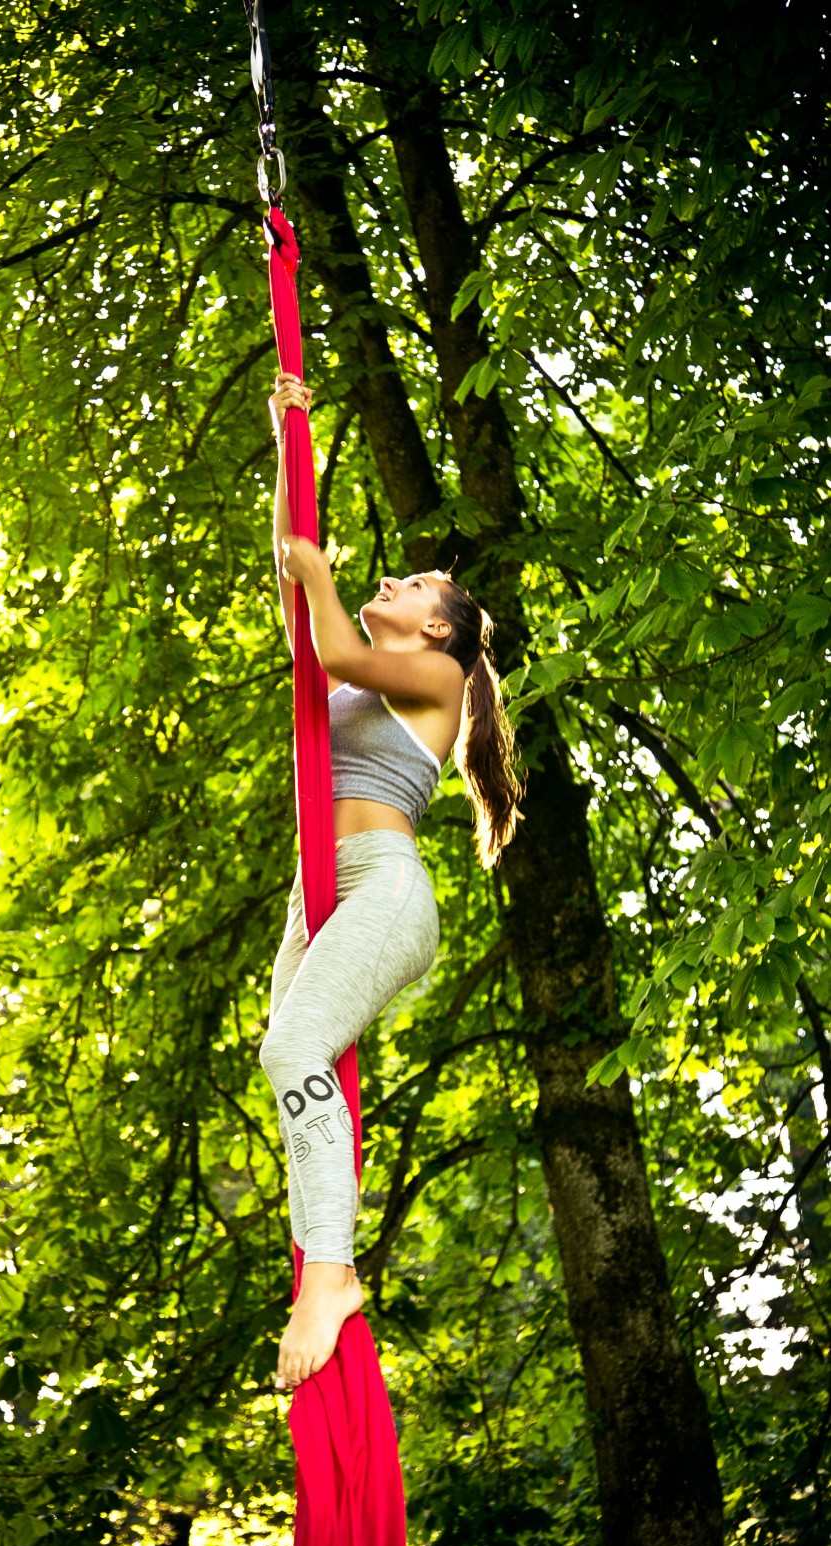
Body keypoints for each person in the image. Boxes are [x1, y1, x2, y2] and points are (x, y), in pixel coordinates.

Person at [263, 372, 523, 1390]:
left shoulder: (438, 680)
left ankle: (330, 1274)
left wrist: (322, 574)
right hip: (316, 885)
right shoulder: (359, 675)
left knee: (294, 1042)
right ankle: (319, 1264)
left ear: (438, 630)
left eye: (415, 586)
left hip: (381, 887)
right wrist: (288, 436)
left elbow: (322, 617)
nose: (398, 583)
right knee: (281, 1058)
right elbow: (299, 591)